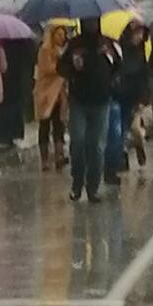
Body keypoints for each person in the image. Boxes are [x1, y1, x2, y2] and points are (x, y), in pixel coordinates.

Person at [58, 18, 121, 203]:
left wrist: (112, 79)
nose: (92, 24)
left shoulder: (107, 44)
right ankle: (77, 183)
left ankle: (93, 187)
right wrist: (73, 68)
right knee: (77, 142)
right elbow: (61, 67)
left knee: (97, 147)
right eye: (88, 21)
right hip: (79, 101)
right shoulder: (74, 45)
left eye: (94, 20)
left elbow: (119, 66)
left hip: (102, 101)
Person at [115, 20, 151, 171]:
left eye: (141, 33)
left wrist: (144, 98)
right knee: (121, 127)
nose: (139, 36)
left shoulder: (142, 51)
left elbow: (145, 76)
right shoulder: (120, 50)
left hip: (136, 96)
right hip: (121, 94)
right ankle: (122, 155)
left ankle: (138, 145)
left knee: (135, 128)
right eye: (136, 33)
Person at [34, 24, 68, 171]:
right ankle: (45, 159)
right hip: (46, 94)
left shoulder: (63, 51)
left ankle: (59, 155)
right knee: (45, 125)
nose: (61, 38)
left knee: (59, 124)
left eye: (63, 35)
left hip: (59, 94)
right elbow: (47, 68)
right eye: (58, 35)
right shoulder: (45, 50)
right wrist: (60, 63)